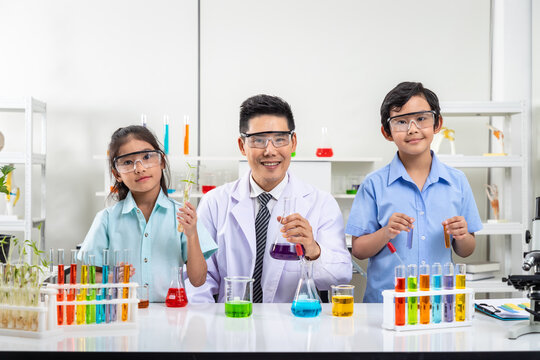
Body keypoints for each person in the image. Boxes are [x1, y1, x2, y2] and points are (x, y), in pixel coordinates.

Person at [184, 94, 352, 303]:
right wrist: (208, 325)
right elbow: (199, 281)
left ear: (293, 142)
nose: (270, 150)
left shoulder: (321, 203)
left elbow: (341, 276)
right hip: (231, 323)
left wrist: (313, 249)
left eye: (279, 139)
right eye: (258, 140)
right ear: (241, 145)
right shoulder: (215, 202)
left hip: (293, 327)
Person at [346, 82, 482, 303]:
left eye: (421, 119)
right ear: (386, 132)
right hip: (386, 304)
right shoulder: (374, 184)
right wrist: (386, 232)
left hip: (439, 303)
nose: (412, 129)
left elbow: (466, 250)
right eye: (400, 121)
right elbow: (359, 250)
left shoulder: (457, 182)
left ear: (437, 123)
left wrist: (463, 235)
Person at [79, 125, 217, 302]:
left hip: (171, 317)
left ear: (161, 161)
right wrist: (113, 278)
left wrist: (191, 236)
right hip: (123, 316)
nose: (139, 168)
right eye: (127, 162)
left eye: (146, 157)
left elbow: (198, 280)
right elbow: (86, 278)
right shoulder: (106, 219)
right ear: (117, 174)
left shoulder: (182, 217)